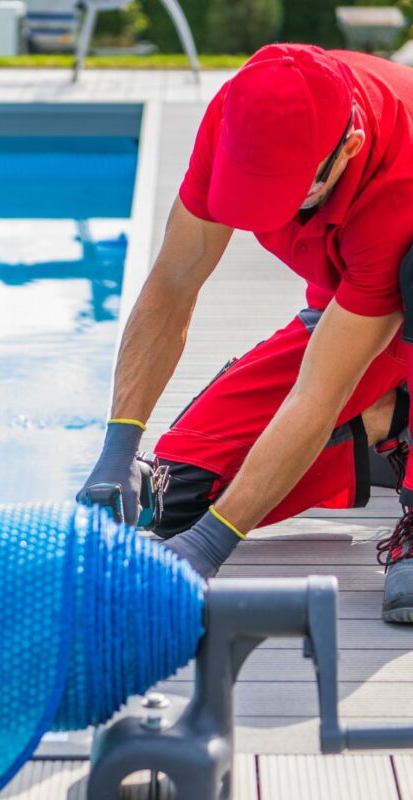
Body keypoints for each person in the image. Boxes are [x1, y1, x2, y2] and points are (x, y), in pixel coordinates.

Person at [77, 42, 413, 623]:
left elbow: (319, 393)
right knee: (180, 494)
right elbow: (173, 284)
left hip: (399, 286)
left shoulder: (398, 184)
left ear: (348, 150)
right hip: (352, 310)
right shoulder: (241, 116)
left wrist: (211, 549)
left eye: (288, 195)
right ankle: (390, 424)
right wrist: (119, 448)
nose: (274, 215)